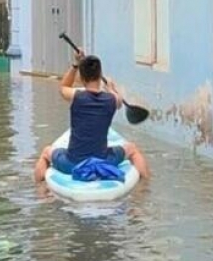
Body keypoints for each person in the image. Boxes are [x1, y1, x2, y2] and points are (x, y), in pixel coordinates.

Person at [34, 50, 151, 182]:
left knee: (46, 152)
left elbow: (63, 87)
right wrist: (111, 88)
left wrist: (75, 64)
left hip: (72, 163)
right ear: (100, 75)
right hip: (103, 161)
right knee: (132, 149)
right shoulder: (112, 100)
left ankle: (41, 192)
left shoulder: (76, 96)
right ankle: (144, 188)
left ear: (82, 78)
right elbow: (118, 100)